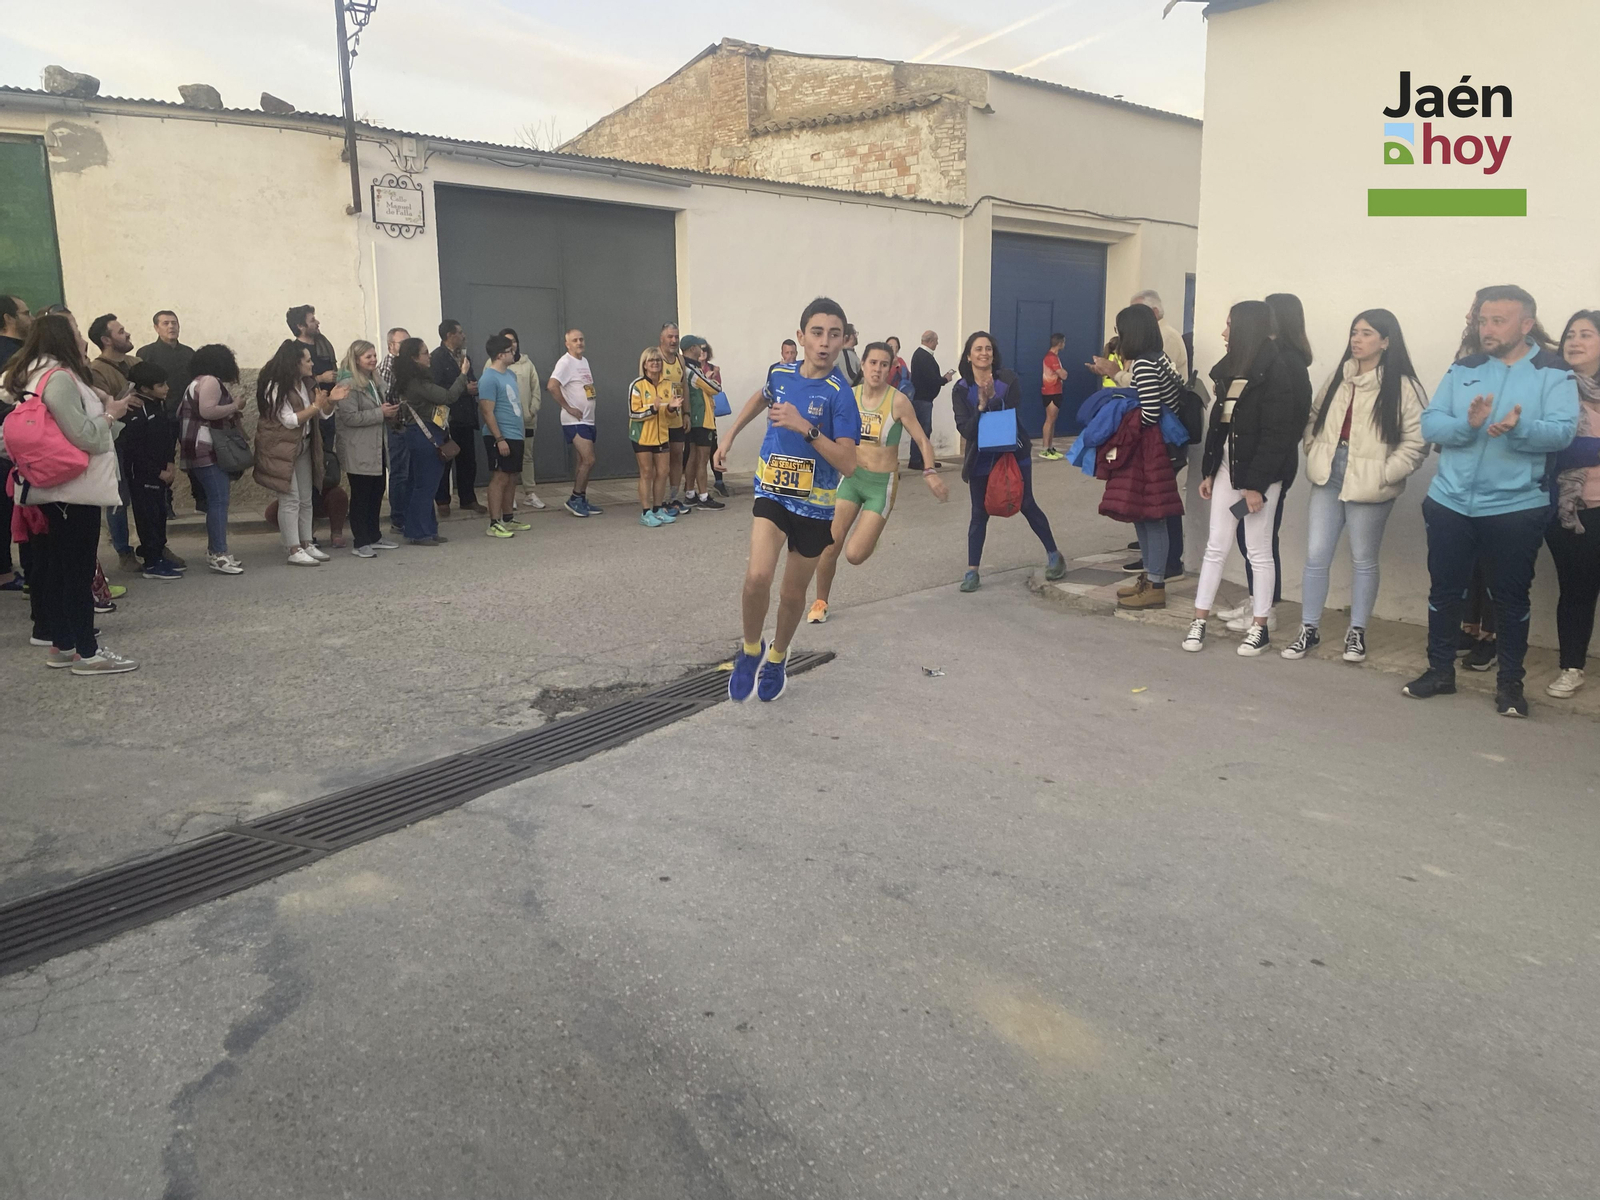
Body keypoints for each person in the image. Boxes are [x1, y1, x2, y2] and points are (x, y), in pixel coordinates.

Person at [1403, 285, 1579, 717]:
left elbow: (1562, 432)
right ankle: (1440, 672)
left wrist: (1518, 429)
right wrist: (1467, 425)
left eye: (1498, 320)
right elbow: (1431, 423)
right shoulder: (1464, 367)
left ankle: (1510, 687)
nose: (1487, 328)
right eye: (1483, 320)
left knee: (1511, 599)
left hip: (1516, 507)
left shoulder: (1554, 371)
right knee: (1445, 592)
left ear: (1525, 324)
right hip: (1449, 503)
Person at [716, 297, 861, 702]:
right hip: (773, 492)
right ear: (801, 336)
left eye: (834, 334)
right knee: (757, 577)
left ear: (844, 341)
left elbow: (849, 463)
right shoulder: (780, 373)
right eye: (817, 332)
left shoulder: (841, 395)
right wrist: (730, 434)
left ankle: (778, 656)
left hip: (815, 507)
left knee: (792, 594)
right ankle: (750, 651)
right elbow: (762, 397)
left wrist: (806, 428)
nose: (824, 342)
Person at [1280, 310, 1427, 663]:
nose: (1357, 339)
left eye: (1367, 333)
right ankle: (1308, 629)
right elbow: (1314, 419)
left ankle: (1356, 632)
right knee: (1317, 554)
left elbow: (1418, 440)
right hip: (1329, 474)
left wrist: (1386, 472)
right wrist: (1314, 449)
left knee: (1363, 558)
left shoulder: (1404, 386)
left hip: (1371, 480)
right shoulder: (1338, 378)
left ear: (1386, 341)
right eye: (1354, 332)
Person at [2, 311, 137, 673]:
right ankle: (87, 652)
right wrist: (110, 413)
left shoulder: (31, 377)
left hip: (51, 486)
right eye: (77, 331)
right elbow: (87, 437)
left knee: (61, 569)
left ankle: (63, 645)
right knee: (76, 573)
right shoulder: (58, 379)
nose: (82, 338)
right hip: (73, 488)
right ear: (64, 339)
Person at [1182, 300, 1300, 657]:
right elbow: (1221, 427)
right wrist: (1208, 472)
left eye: (1229, 325)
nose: (1223, 332)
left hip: (1260, 479)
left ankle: (1260, 626)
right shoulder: (1230, 370)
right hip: (1226, 473)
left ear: (1246, 329)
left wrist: (1255, 487)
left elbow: (1276, 436)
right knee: (1216, 545)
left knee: (1259, 550)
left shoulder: (1276, 372)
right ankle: (1198, 621)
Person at [808, 341, 947, 622]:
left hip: (880, 486)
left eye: (884, 364)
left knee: (855, 555)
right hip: (851, 478)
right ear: (863, 364)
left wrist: (930, 472)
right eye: (873, 363)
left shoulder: (898, 401)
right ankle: (820, 602)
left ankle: (871, 534)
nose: (878, 369)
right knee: (829, 545)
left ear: (891, 368)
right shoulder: (849, 396)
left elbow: (921, 439)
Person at [1215, 293, 1314, 631]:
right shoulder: (1271, 359)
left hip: (1268, 471)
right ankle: (1259, 600)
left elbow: (1285, 424)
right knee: (1247, 533)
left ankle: (1266, 609)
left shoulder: (1285, 363)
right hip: (1256, 469)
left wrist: (1259, 476)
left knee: (1258, 539)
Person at [951, 331, 1067, 593]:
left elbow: (1009, 414)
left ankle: (1054, 555)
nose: (984, 353)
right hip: (980, 457)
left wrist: (993, 398)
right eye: (978, 349)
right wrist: (980, 405)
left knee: (1027, 503)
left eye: (988, 349)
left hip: (1012, 452)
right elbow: (966, 430)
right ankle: (972, 571)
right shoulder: (960, 389)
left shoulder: (1008, 379)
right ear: (968, 355)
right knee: (979, 513)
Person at [1097, 306, 1186, 611]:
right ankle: (1149, 580)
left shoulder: (1146, 364)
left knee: (1151, 517)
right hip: (1161, 447)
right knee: (1146, 514)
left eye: (1121, 330)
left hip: (1151, 450)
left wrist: (1122, 435)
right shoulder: (1160, 358)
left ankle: (1155, 584)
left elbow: (1149, 412)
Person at [1545, 310, 1600, 699]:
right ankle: (1572, 667)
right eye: (1570, 334)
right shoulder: (1552, 387)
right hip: (1571, 508)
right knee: (1576, 590)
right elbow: (1551, 448)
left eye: (1586, 334)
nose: (1574, 341)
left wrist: (1581, 448)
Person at [254, 340, 345, 567]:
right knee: (290, 498)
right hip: (282, 448)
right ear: (295, 363)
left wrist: (330, 402)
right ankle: (292, 548)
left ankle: (306, 542)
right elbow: (289, 420)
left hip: (304, 445)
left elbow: (321, 415)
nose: (311, 363)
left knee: (306, 497)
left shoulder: (306, 383)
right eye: (307, 360)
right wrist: (315, 406)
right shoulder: (275, 386)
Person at [176, 344, 246, 574]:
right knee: (219, 501)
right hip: (207, 449)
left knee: (216, 501)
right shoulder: (211, 381)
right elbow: (208, 411)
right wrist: (235, 405)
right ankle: (218, 553)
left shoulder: (196, 382)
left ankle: (216, 549)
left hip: (195, 448)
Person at [393, 337, 468, 546]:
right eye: (425, 353)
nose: (429, 356)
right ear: (414, 358)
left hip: (425, 432)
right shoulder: (417, 382)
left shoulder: (416, 379)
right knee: (425, 485)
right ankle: (419, 532)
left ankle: (427, 528)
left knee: (423, 484)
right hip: (424, 434)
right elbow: (448, 396)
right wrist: (462, 375)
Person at [86, 313, 143, 573]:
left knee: (146, 493)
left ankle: (152, 545)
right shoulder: (96, 370)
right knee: (118, 497)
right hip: (117, 439)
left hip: (142, 437)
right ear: (106, 339)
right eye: (120, 332)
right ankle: (123, 549)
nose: (127, 334)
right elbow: (103, 405)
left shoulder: (136, 362)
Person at [119, 360, 183, 580]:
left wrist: (170, 464)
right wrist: (157, 472)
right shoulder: (138, 410)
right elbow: (134, 450)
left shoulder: (159, 405)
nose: (166, 388)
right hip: (143, 474)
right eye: (160, 385)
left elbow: (165, 439)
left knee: (160, 514)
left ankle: (158, 554)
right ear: (145, 388)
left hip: (162, 471)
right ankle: (152, 563)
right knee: (147, 517)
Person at [335, 339, 398, 558]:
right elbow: (349, 417)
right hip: (358, 446)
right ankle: (360, 541)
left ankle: (374, 535)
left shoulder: (374, 380)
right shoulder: (348, 384)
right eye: (368, 356)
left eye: (374, 355)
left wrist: (389, 411)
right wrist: (380, 413)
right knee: (361, 495)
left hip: (376, 445)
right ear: (357, 359)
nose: (373, 360)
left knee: (377, 491)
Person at [137, 309, 198, 517]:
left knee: (194, 455)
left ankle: (201, 498)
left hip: (188, 414)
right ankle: (166, 503)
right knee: (165, 458)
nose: (171, 326)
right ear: (156, 328)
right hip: (161, 416)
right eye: (165, 323)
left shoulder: (189, 353)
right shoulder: (146, 354)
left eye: (174, 323)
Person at [476, 333, 528, 539]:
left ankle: (508, 517)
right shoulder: (488, 378)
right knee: (499, 477)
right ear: (499, 355)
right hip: (500, 435)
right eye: (509, 351)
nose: (513, 353)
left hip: (515, 434)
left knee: (512, 476)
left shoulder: (510, 375)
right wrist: (499, 439)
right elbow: (487, 411)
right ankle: (494, 522)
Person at [431, 319, 482, 516]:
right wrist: (463, 390)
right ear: (450, 335)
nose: (464, 336)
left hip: (465, 415)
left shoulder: (464, 356)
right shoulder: (437, 358)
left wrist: (473, 385)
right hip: (446, 416)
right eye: (460, 332)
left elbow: (471, 378)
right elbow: (436, 387)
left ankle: (468, 498)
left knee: (468, 459)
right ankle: (442, 500)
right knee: (445, 458)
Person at [549, 328, 602, 518]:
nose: (579, 343)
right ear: (567, 344)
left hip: (588, 418)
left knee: (582, 461)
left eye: (581, 339)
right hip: (574, 420)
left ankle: (581, 498)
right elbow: (552, 385)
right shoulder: (565, 363)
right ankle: (574, 498)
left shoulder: (584, 361)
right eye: (575, 340)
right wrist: (568, 407)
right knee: (589, 459)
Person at [0, 294, 33, 592]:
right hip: (13, 441)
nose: (30, 318)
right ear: (9, 318)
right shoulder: (19, 355)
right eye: (25, 312)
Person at [495, 327, 545, 511]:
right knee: (508, 459)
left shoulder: (527, 363)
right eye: (507, 342)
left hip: (527, 420)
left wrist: (532, 410)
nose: (512, 345)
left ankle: (530, 493)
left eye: (514, 341)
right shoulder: (494, 365)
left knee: (527, 456)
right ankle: (510, 495)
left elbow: (536, 389)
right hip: (507, 424)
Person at [679, 335, 726, 510]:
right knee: (702, 459)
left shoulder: (685, 367)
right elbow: (715, 388)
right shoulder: (692, 370)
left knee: (692, 456)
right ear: (692, 349)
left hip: (693, 418)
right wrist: (711, 378)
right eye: (700, 347)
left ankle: (690, 493)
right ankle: (704, 496)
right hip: (702, 418)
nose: (702, 350)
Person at [629, 346, 675, 526]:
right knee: (647, 472)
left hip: (662, 435)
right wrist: (652, 409)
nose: (655, 363)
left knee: (663, 472)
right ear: (645, 365)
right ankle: (646, 511)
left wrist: (671, 408)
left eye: (657, 360)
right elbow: (634, 413)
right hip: (642, 436)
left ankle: (658, 508)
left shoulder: (668, 384)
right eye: (651, 361)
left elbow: (671, 415)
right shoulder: (637, 385)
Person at [657, 323, 692, 516]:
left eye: (676, 337)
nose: (674, 340)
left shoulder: (680, 359)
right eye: (670, 336)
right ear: (661, 338)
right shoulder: (655, 358)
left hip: (677, 417)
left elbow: (684, 386)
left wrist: (686, 413)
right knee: (661, 459)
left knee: (678, 455)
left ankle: (673, 497)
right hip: (661, 418)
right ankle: (659, 499)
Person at [380, 326, 412, 535]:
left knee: (410, 473)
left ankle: (408, 515)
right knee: (399, 474)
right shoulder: (388, 368)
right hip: (396, 428)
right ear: (391, 345)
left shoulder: (406, 365)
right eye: (403, 343)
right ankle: (398, 519)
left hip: (408, 427)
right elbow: (387, 398)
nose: (407, 347)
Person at [909, 330, 954, 471]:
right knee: (923, 430)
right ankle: (918, 460)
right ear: (930, 341)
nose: (937, 343)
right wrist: (944, 379)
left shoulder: (920, 355)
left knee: (922, 429)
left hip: (923, 399)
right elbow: (931, 379)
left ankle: (921, 459)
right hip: (923, 400)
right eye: (936, 341)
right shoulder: (924, 356)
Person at [701, 339, 730, 497]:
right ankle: (693, 485)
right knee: (695, 452)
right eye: (700, 349)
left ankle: (719, 481)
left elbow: (717, 389)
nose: (703, 353)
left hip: (710, 415)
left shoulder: (713, 368)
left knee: (713, 447)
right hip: (697, 415)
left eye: (705, 350)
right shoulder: (691, 368)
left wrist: (712, 377)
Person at [1039, 332, 1069, 460]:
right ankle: (1045, 449)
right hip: (1050, 392)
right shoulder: (1051, 358)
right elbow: (1063, 375)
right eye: (1064, 342)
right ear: (1060, 343)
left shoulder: (1055, 357)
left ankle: (1050, 447)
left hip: (1056, 391)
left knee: (1053, 420)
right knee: (1049, 420)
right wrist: (1064, 373)